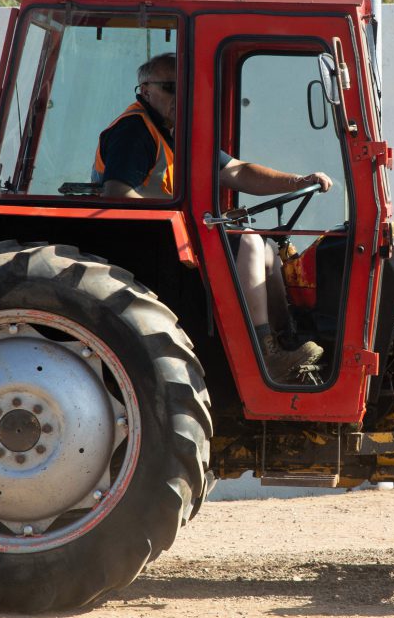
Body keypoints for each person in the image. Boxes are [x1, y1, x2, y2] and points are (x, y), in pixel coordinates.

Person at [92, 52, 332, 381]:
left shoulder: (176, 132)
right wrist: (188, 216)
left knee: (267, 251)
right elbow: (118, 194)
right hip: (142, 246)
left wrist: (300, 181)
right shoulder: (135, 130)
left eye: (186, 89)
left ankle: (286, 339)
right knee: (247, 243)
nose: (180, 97)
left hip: (167, 239)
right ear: (145, 90)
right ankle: (263, 354)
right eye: (170, 88)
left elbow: (237, 171)